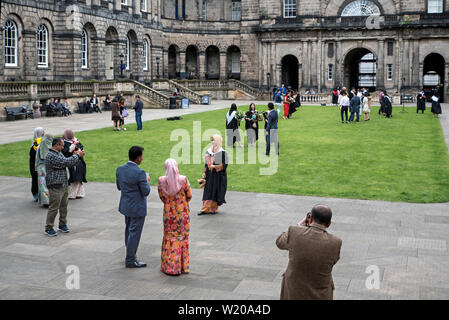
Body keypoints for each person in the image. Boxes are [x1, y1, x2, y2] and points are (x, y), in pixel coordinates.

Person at [276, 205, 342, 300]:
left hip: (293, 291)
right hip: (321, 293)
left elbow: (279, 242)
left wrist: (300, 225)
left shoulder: (295, 232)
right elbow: (334, 260)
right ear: (329, 224)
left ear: (310, 219)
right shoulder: (336, 242)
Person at [116, 146, 151, 268]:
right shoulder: (140, 173)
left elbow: (119, 187)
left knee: (128, 230)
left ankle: (130, 254)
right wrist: (146, 180)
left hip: (126, 205)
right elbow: (146, 191)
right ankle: (130, 258)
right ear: (138, 158)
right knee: (134, 233)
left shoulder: (120, 169)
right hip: (137, 207)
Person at [158, 158, 192, 276]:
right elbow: (189, 195)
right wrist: (182, 204)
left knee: (170, 238)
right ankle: (182, 266)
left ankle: (170, 266)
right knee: (182, 238)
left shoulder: (161, 181)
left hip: (169, 215)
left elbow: (162, 197)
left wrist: (169, 204)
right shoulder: (183, 180)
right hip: (182, 214)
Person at [44, 137, 84, 237]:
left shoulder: (58, 153)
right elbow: (65, 162)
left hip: (63, 184)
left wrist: (77, 156)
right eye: (62, 145)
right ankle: (48, 227)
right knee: (54, 207)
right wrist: (77, 156)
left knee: (63, 206)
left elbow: (68, 162)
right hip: (55, 185)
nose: (63, 147)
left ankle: (62, 224)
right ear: (56, 145)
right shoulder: (51, 155)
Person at [198, 135, 228, 215]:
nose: (213, 142)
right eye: (212, 140)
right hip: (209, 175)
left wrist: (214, 166)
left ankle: (213, 209)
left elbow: (225, 165)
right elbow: (206, 163)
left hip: (218, 176)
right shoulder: (208, 151)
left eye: (214, 140)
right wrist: (204, 172)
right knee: (207, 191)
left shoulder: (222, 153)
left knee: (215, 191)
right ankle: (204, 209)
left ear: (218, 141)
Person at [62, 129, 87, 200]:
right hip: (70, 162)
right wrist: (72, 148)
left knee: (78, 178)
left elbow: (81, 147)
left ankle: (79, 193)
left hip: (78, 162)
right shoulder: (63, 142)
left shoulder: (76, 140)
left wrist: (79, 151)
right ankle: (71, 194)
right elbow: (65, 152)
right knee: (72, 178)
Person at [36, 134, 52, 207]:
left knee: (42, 185)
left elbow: (37, 159)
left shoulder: (39, 147)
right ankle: (50, 201)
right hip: (49, 168)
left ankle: (45, 201)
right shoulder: (52, 147)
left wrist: (36, 169)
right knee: (50, 184)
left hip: (41, 168)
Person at [30, 128, 45, 202]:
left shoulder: (37, 142)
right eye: (43, 132)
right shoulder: (36, 144)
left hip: (38, 165)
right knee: (36, 180)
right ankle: (37, 195)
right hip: (36, 165)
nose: (44, 133)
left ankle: (41, 195)